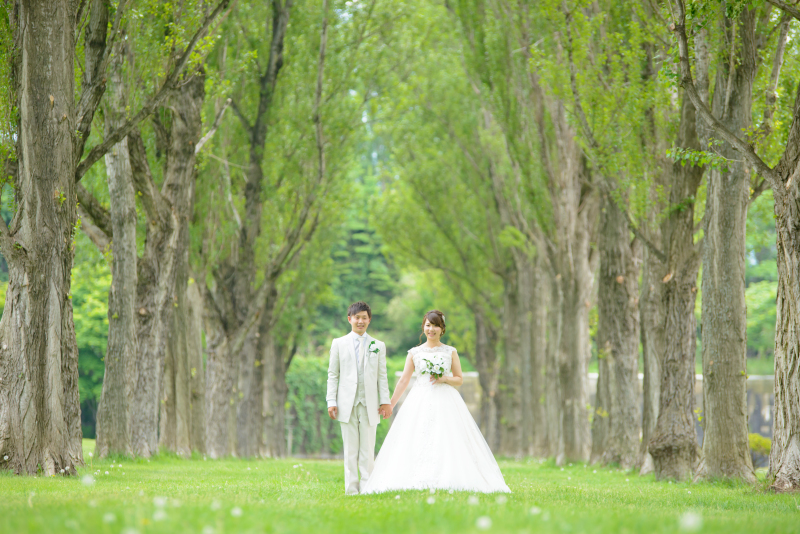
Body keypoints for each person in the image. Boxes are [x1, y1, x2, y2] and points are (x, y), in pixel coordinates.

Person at [362, 310, 510, 494]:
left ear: (442, 329)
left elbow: (459, 379)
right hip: (419, 398)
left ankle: (449, 475)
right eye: (428, 325)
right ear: (423, 327)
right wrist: (390, 404)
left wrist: (444, 378)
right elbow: (404, 380)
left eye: (435, 325)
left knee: (447, 435)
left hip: (446, 400)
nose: (431, 329)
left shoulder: (450, 352)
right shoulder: (414, 353)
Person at [326, 301, 392, 495]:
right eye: (357, 317)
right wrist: (331, 401)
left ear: (369, 320)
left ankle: (367, 488)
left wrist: (385, 401)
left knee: (367, 450)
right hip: (346, 404)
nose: (360, 321)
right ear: (350, 319)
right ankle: (352, 490)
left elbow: (382, 376)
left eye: (364, 317)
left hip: (370, 404)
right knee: (350, 450)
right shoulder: (338, 343)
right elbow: (333, 374)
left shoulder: (378, 346)